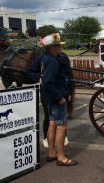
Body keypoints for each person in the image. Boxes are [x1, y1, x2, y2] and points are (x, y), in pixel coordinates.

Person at [39, 33, 77, 166]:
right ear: (51, 47)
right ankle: (61, 157)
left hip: (49, 96)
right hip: (57, 97)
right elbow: (50, 82)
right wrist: (61, 97)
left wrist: (40, 78)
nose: (60, 48)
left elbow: (34, 73)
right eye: (58, 46)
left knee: (52, 123)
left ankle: (51, 153)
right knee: (62, 126)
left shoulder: (44, 58)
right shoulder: (54, 61)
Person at [28, 51, 72, 148]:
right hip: (49, 93)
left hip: (61, 92)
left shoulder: (62, 57)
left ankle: (63, 137)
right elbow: (30, 71)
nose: (59, 48)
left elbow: (68, 75)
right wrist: (38, 77)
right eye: (57, 46)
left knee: (61, 119)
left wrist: (68, 91)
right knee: (48, 117)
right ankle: (46, 138)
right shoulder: (42, 58)